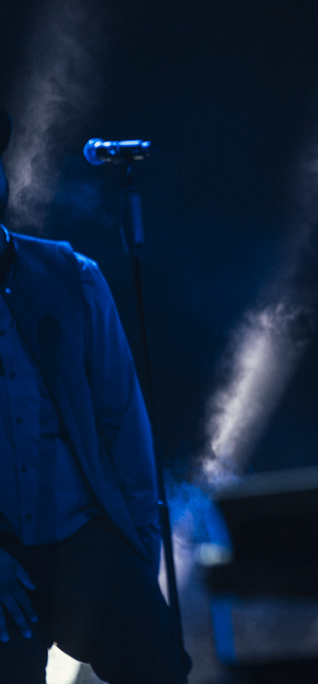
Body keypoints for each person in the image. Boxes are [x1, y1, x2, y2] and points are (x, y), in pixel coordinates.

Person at [0, 110, 183, 682]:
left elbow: (122, 418)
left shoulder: (70, 274)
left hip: (86, 536)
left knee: (157, 659)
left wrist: (139, 547)